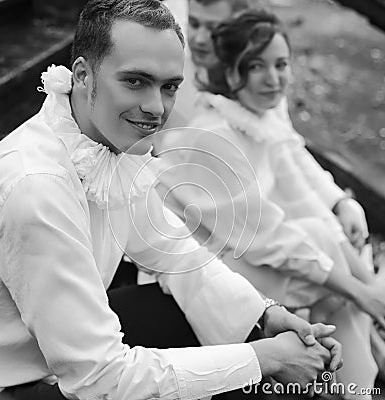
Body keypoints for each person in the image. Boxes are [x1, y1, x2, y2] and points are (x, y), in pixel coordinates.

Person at [0, 1, 342, 400]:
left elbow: (175, 253)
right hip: (15, 387)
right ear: (83, 75)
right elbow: (101, 379)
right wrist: (264, 358)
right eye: (136, 81)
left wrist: (264, 317)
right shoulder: (37, 188)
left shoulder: (104, 139)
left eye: (169, 86)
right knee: (238, 373)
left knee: (212, 332)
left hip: (62, 352)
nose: (156, 107)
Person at [155, 8, 385, 399]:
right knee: (333, 276)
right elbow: (266, 234)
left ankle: (356, 384)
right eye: (256, 66)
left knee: (333, 280)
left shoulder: (260, 112)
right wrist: (362, 289)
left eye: (281, 64)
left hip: (252, 249)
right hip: (204, 268)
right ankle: (360, 381)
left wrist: (341, 209)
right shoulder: (215, 135)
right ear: (231, 73)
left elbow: (298, 184)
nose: (273, 78)